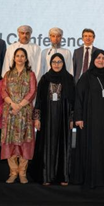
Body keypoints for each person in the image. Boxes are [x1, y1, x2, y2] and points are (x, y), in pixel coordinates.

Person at [73, 49, 104, 188]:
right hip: (89, 119)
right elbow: (79, 98)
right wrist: (78, 117)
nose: (101, 60)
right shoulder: (86, 76)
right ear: (93, 60)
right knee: (92, 148)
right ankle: (91, 179)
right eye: (98, 58)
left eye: (103, 58)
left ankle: (103, 178)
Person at [34, 53, 76, 186]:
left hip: (64, 117)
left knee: (64, 145)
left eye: (59, 62)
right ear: (50, 63)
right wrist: (37, 118)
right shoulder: (45, 79)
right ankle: (47, 176)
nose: (56, 64)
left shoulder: (69, 79)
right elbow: (39, 100)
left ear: (63, 63)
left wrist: (72, 119)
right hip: (47, 117)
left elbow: (73, 101)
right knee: (47, 146)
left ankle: (63, 176)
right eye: (54, 62)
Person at [0, 48, 38, 184]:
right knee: (10, 141)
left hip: (25, 113)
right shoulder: (8, 74)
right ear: (14, 58)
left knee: (25, 142)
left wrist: (20, 105)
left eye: (22, 56)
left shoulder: (30, 74)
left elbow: (32, 91)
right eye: (17, 56)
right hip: (10, 112)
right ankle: (13, 172)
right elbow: (3, 92)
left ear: (26, 59)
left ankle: (22, 173)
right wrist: (12, 104)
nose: (20, 58)